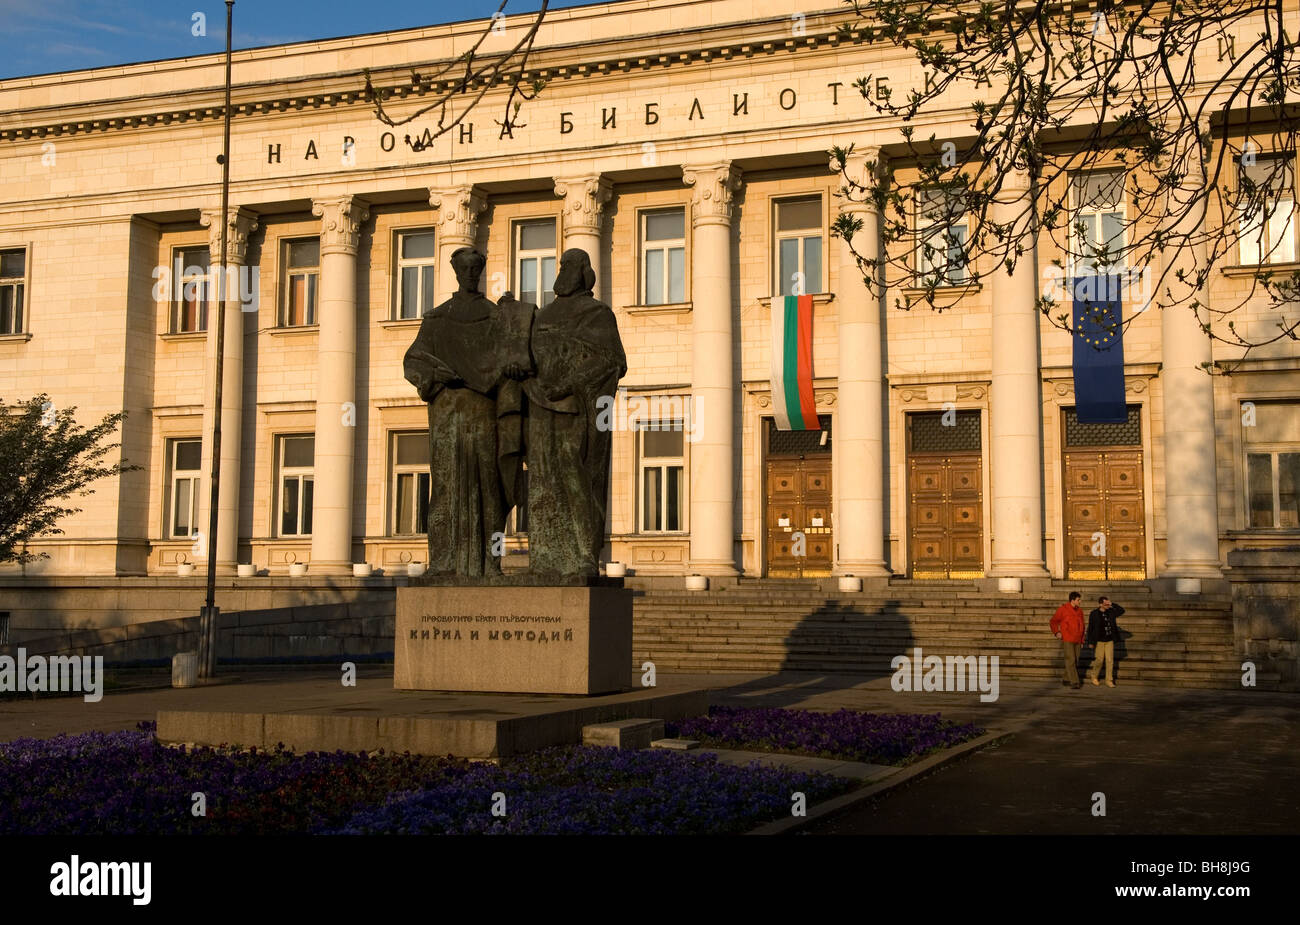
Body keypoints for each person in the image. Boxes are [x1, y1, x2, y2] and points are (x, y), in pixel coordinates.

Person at [402, 248, 530, 578]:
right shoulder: (437, 319)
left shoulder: (494, 317)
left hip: (484, 412)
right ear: (456, 273)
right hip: (446, 413)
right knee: (446, 487)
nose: (471, 274)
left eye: (476, 269)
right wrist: (434, 377)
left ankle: (491, 563)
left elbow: (512, 358)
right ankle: (444, 563)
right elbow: (414, 361)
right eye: (466, 269)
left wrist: (509, 371)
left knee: (491, 489)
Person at [522, 248, 626, 579]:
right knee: (543, 478)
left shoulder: (597, 313)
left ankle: (583, 555)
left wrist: (570, 382)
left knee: (578, 475)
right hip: (542, 407)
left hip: (580, 410)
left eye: (571, 265)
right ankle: (545, 557)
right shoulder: (543, 315)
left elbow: (612, 361)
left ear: (583, 272)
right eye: (562, 264)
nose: (564, 270)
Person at [1050, 591, 1086, 689]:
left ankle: (1066, 678)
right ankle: (1075, 682)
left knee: (1075, 660)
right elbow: (1053, 621)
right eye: (1078, 600)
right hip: (1068, 638)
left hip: (1078, 639)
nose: (1080, 601)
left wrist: (1082, 640)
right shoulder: (1063, 609)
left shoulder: (1080, 611)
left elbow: (1083, 626)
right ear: (1072, 600)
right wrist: (1056, 632)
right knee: (1071, 660)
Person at [1086, 596, 1124, 687]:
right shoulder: (1094, 613)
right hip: (1099, 640)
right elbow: (1090, 628)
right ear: (1100, 604)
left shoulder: (1111, 612)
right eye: (1105, 604)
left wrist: (1112, 604)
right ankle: (1094, 676)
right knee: (1099, 659)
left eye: (1107, 604)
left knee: (1110, 660)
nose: (1107, 605)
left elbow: (1121, 611)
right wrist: (1090, 642)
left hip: (1109, 639)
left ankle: (1109, 680)